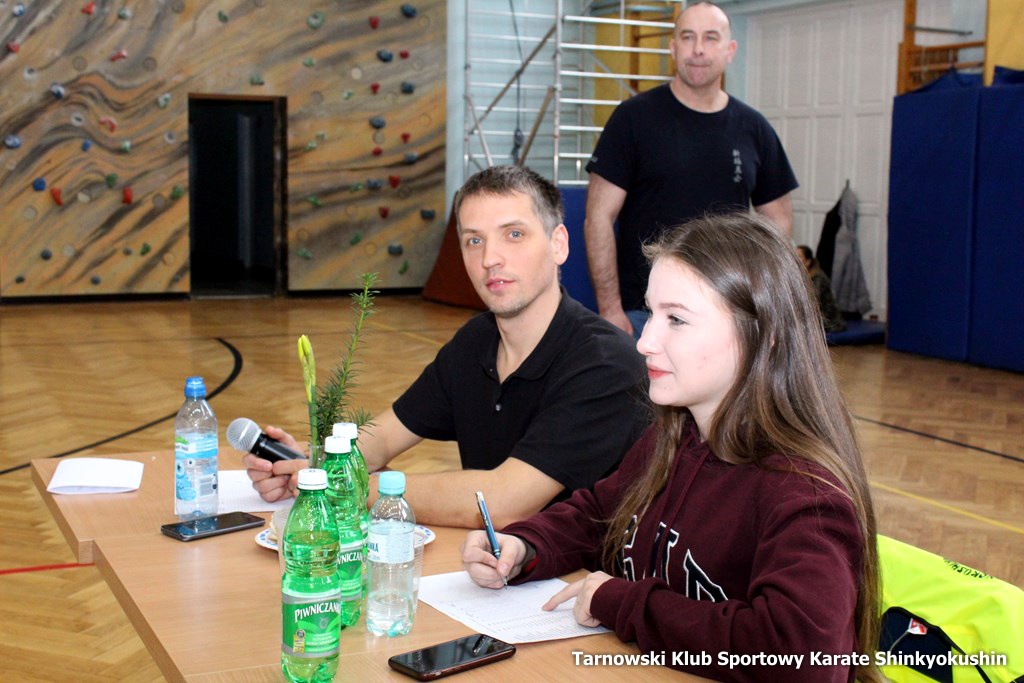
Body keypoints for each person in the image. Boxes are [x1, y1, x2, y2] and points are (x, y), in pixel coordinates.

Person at [462, 213, 881, 682]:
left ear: (763, 335)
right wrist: (526, 545)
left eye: (676, 320)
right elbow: (600, 514)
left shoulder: (806, 494)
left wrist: (626, 604)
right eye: (651, 314)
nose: (644, 342)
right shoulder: (674, 438)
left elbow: (802, 657)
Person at [244, 165, 648, 529]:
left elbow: (504, 502)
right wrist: (316, 465)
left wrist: (349, 487)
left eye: (514, 234)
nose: (490, 258)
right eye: (474, 240)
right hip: (490, 566)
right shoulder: (476, 341)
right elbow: (382, 438)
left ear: (558, 243)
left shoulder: (605, 362)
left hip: (586, 580)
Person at [585, 1, 799, 338]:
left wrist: (761, 296)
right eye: (688, 37)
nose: (698, 49)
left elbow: (778, 221)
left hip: (726, 312)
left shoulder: (754, 128)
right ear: (673, 48)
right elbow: (598, 216)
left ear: (730, 50)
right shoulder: (632, 119)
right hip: (645, 314)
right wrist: (610, 309)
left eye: (710, 38)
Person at [798, 244, 847, 333]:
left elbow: (811, 303)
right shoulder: (799, 277)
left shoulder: (818, 278)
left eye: (799, 256)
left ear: (808, 262)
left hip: (826, 321)